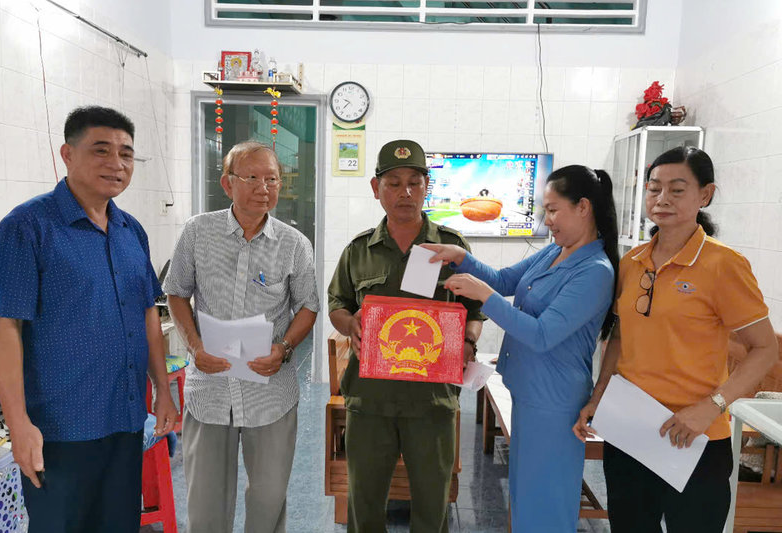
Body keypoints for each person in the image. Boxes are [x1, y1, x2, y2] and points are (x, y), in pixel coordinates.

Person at [0, 106, 177, 533]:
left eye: (126, 154)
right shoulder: (27, 228)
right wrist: (18, 424)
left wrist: (163, 390)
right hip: (60, 429)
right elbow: (5, 328)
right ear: (67, 154)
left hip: (125, 420)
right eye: (101, 150)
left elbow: (148, 312)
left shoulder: (131, 231)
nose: (117, 164)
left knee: (118, 524)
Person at [573, 146, 779, 532]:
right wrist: (600, 394)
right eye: (654, 188)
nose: (662, 198)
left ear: (705, 195)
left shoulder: (723, 265)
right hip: (630, 430)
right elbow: (620, 335)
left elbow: (765, 349)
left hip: (694, 437)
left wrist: (712, 406)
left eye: (677, 189)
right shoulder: (632, 262)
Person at [424, 164, 619, 531]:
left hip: (555, 401)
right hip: (529, 392)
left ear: (583, 207)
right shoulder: (553, 252)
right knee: (527, 495)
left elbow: (543, 334)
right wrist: (460, 256)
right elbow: (504, 280)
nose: (548, 220)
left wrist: (486, 297)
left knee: (547, 501)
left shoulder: (595, 271)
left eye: (553, 210)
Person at [328, 139, 485, 533]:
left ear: (427, 187)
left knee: (432, 505)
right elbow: (337, 304)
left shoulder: (451, 247)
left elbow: (475, 310)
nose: (406, 192)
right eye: (394, 183)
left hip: (431, 401)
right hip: (371, 399)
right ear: (376, 188)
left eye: (415, 182)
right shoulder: (359, 250)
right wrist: (350, 325)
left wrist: (467, 344)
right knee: (364, 504)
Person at [163, 141, 319, 533]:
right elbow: (176, 293)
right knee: (205, 507)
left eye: (273, 179)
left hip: (270, 391)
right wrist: (194, 346)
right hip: (210, 388)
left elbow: (308, 306)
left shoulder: (294, 244)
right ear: (227, 183)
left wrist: (284, 348)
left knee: (268, 501)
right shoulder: (198, 232)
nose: (264, 188)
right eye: (252, 178)